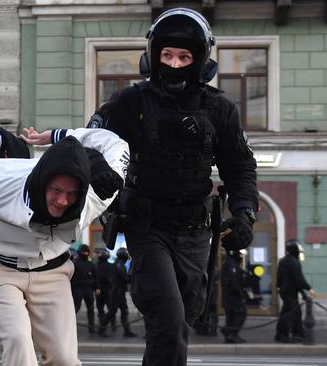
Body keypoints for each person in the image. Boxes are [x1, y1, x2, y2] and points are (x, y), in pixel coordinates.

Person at [87, 8, 259, 366]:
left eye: (184, 56)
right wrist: (98, 169)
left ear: (200, 60)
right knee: (167, 316)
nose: (175, 64)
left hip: (196, 231)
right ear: (154, 55)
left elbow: (241, 166)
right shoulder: (129, 102)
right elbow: (91, 143)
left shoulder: (220, 109)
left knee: (181, 318)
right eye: (167, 55)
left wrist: (245, 214)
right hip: (147, 227)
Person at [0, 125, 129, 366]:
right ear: (42, 184)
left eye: (72, 194)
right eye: (56, 191)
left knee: (64, 359)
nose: (63, 201)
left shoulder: (96, 193)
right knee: (19, 340)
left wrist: (59, 135)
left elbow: (115, 143)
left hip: (52, 271)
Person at [275, 239, 315, 343]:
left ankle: (296, 334)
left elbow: (280, 278)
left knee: (293, 313)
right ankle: (284, 336)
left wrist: (302, 292)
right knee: (290, 314)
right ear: (295, 249)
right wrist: (308, 288)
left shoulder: (283, 260)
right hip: (290, 291)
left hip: (285, 291)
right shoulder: (293, 262)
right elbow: (299, 278)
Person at [98, 247, 136, 338]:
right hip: (116, 292)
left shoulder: (119, 263)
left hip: (119, 292)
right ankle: (101, 330)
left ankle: (127, 331)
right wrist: (131, 277)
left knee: (124, 311)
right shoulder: (119, 264)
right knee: (112, 312)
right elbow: (123, 278)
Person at [220, 249, 248, 343]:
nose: (240, 256)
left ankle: (228, 334)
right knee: (241, 313)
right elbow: (233, 282)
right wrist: (241, 294)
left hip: (229, 296)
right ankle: (231, 333)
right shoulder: (231, 264)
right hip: (233, 296)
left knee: (231, 316)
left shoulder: (229, 263)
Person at [70, 244, 98, 334]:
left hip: (87, 289)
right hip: (78, 289)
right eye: (84, 252)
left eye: (86, 252)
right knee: (75, 309)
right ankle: (71, 327)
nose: (85, 253)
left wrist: (97, 288)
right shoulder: (74, 264)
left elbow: (95, 277)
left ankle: (91, 327)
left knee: (90, 309)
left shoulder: (91, 264)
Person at [95, 249, 116, 332]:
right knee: (110, 309)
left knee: (101, 309)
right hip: (108, 290)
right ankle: (112, 325)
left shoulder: (96, 265)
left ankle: (102, 325)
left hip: (100, 290)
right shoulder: (110, 266)